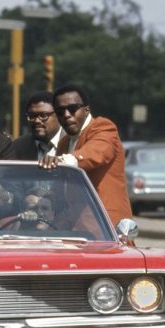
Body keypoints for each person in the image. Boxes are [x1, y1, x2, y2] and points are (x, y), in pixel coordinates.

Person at [43, 83, 132, 226]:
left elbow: (96, 153)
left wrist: (63, 160)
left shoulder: (104, 127)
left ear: (86, 110)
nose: (66, 115)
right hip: (74, 226)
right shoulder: (64, 142)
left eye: (72, 109)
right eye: (60, 111)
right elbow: (61, 189)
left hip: (107, 227)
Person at [12, 91, 61, 161]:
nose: (37, 121)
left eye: (43, 115)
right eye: (32, 116)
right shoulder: (19, 146)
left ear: (58, 115)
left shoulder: (72, 142)